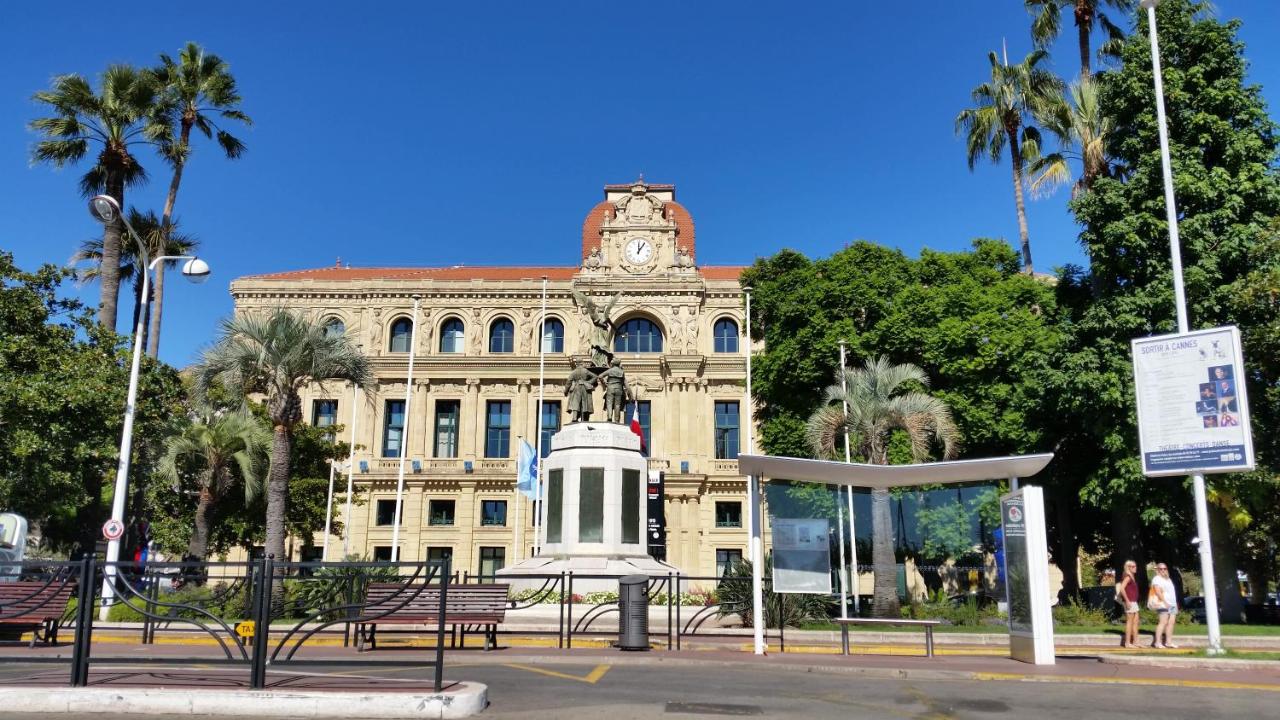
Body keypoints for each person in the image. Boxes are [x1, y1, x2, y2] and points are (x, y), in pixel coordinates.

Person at [1150, 563, 1179, 648]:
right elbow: (1157, 591)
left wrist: (1174, 603)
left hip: (1172, 603)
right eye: (1161, 569)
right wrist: (1165, 602)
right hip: (1163, 603)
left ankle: (1168, 642)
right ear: (1157, 570)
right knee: (1163, 622)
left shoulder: (1168, 579)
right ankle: (1157, 642)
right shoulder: (1157, 579)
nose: (1163, 570)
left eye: (1164, 568)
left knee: (1171, 623)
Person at [1118, 560, 1141, 648]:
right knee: (1130, 622)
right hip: (1130, 601)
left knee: (1135, 622)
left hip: (1133, 601)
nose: (1135, 568)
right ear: (1128, 567)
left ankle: (1135, 641)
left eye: (1135, 566)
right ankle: (1127, 643)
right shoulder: (1127, 576)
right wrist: (1127, 601)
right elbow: (1122, 588)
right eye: (1132, 566)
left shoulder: (1132, 576)